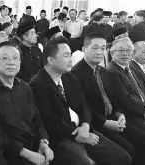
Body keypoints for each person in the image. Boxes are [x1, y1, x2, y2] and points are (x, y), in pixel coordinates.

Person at [29, 36, 132, 165]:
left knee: (123, 157)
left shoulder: (69, 77)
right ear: (51, 60)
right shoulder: (38, 85)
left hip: (84, 129)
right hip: (62, 137)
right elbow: (49, 121)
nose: (71, 60)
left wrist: (85, 125)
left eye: (71, 55)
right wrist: (79, 134)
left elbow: (84, 105)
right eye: (66, 56)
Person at [72, 33, 145, 165]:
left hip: (114, 118)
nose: (100, 52)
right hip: (96, 123)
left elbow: (113, 98)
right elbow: (84, 107)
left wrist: (119, 113)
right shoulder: (76, 74)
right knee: (133, 148)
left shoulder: (102, 71)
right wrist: (105, 122)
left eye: (102, 48)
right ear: (84, 49)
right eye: (95, 47)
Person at [0, 41, 55, 165]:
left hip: (33, 146)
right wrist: (27, 154)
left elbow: (37, 118)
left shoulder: (24, 87)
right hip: (7, 154)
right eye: (5, 58)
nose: (11, 62)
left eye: (15, 58)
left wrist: (43, 142)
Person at [106, 37, 145, 161]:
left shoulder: (129, 68)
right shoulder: (112, 71)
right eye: (121, 50)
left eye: (129, 50)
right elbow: (124, 98)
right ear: (112, 52)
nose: (125, 54)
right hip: (126, 115)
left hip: (139, 112)